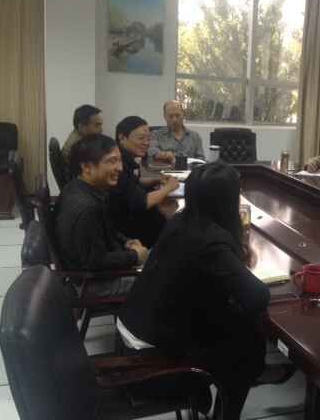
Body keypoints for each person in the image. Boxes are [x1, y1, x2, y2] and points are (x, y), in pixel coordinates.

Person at [118, 163, 292, 420]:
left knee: (234, 321)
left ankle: (253, 370)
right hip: (151, 359)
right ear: (228, 201)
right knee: (245, 336)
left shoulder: (181, 220)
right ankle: (240, 389)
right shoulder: (210, 240)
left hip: (132, 331)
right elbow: (257, 296)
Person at [55, 134, 149, 273]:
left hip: (106, 260)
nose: (120, 168)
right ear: (87, 167)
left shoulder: (79, 187)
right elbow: (95, 262)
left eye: (120, 160)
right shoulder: (87, 209)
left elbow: (106, 231)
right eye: (112, 161)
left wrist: (125, 242)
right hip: (95, 281)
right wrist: (135, 256)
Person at [109, 116, 180, 247]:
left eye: (148, 139)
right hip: (129, 232)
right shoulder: (117, 164)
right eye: (141, 138)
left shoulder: (127, 158)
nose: (146, 143)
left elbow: (131, 184)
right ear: (122, 138)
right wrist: (168, 188)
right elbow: (141, 202)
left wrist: (155, 179)